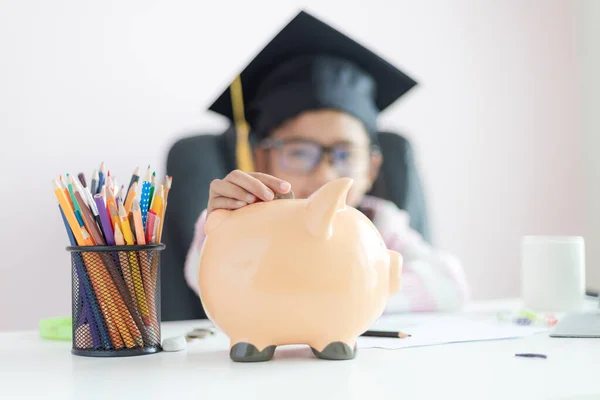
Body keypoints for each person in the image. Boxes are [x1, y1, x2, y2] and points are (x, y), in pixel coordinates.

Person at [183, 10, 470, 313]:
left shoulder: (379, 224)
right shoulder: (252, 221)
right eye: (299, 152)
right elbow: (202, 278)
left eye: (345, 155)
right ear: (262, 158)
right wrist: (222, 225)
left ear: (371, 168)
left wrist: (349, 289)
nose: (324, 175)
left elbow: (450, 286)